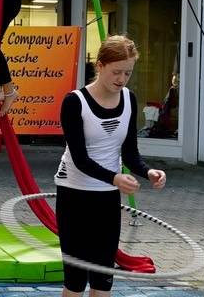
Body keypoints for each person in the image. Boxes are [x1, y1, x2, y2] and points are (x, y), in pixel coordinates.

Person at [54, 35, 166, 297]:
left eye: (128, 73)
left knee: (104, 278)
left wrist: (148, 172)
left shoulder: (129, 99)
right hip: (74, 193)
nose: (121, 79)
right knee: (75, 281)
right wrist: (115, 178)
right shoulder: (74, 102)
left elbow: (129, 153)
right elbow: (80, 159)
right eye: (116, 72)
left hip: (106, 198)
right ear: (100, 65)